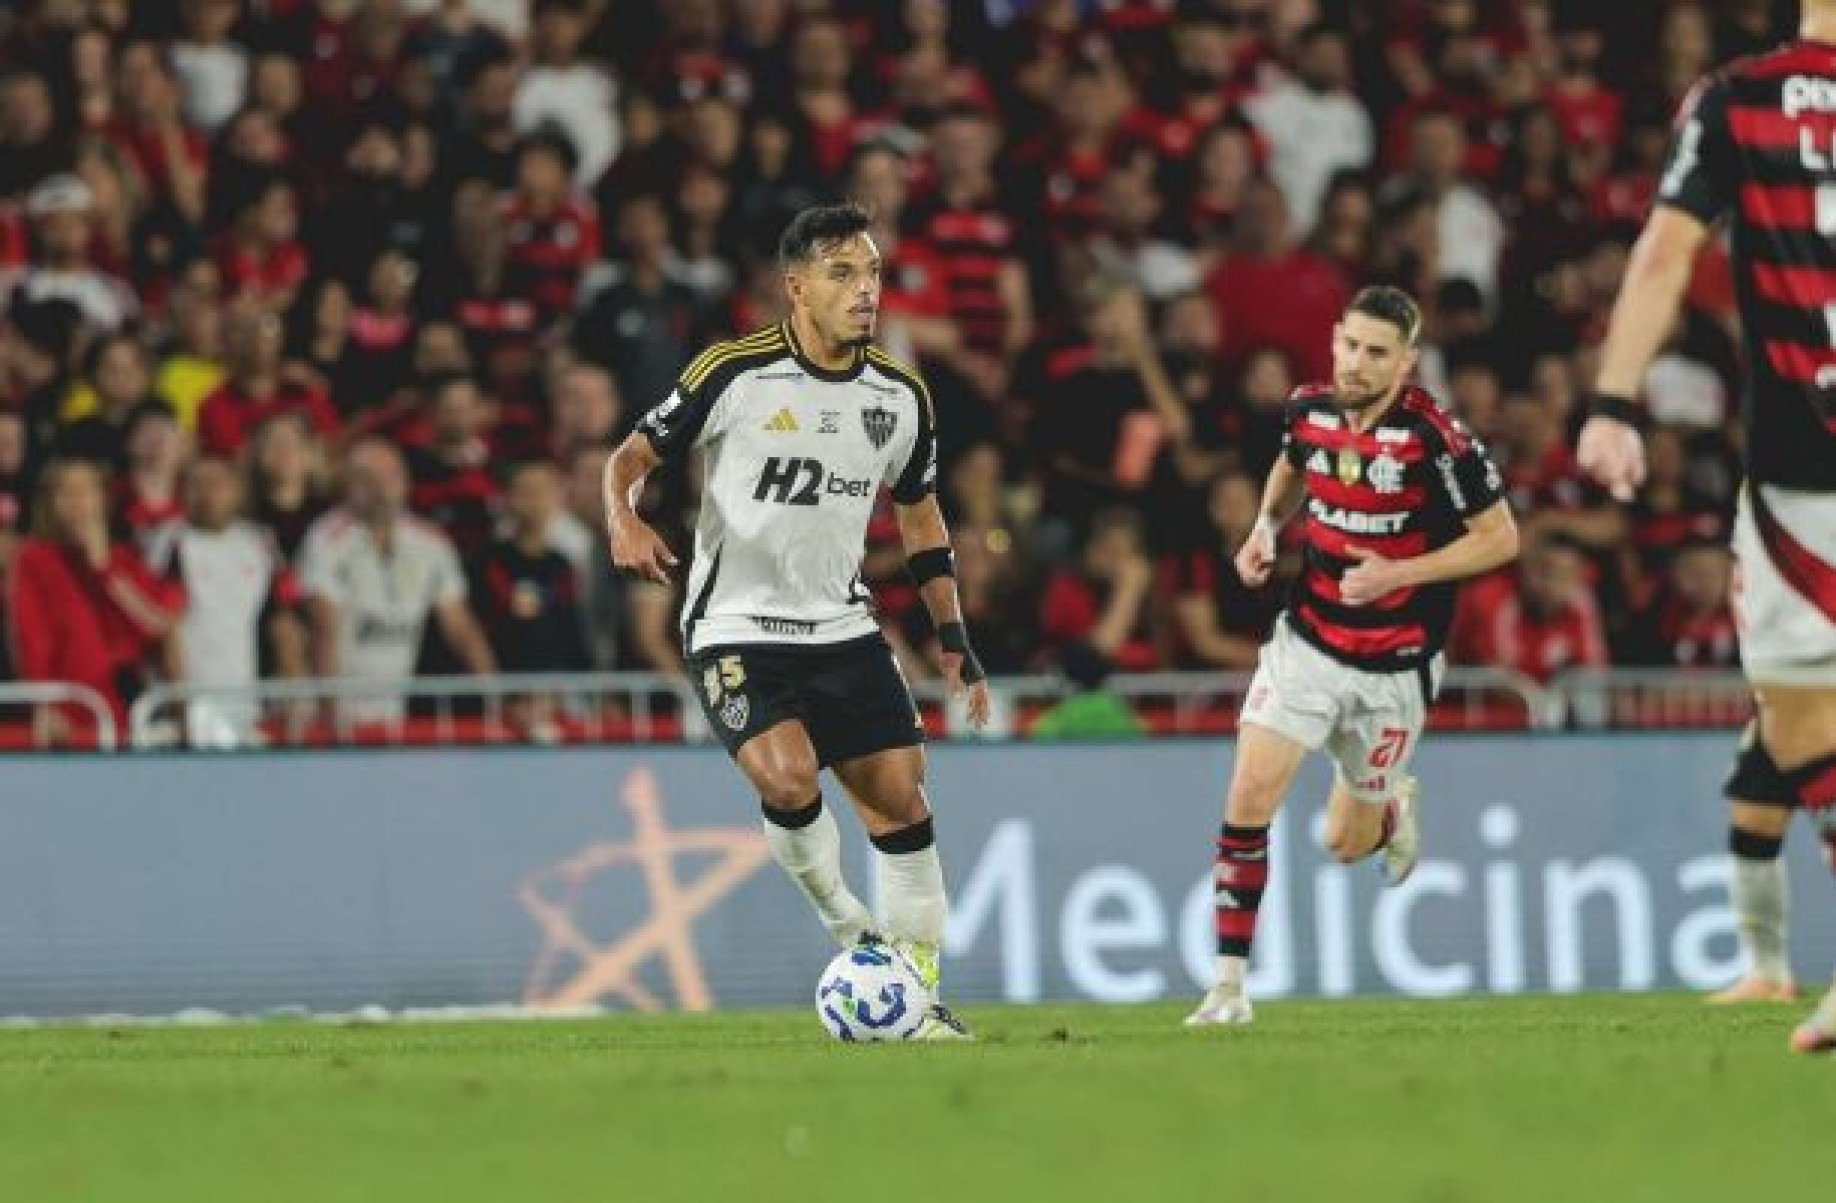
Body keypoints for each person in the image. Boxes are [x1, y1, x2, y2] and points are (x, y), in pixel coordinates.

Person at [602, 203, 987, 1040]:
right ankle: (857, 936)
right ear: (796, 288)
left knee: (903, 803)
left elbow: (920, 519)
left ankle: (916, 995)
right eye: (844, 273)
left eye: (874, 272)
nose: (866, 290)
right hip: (736, 624)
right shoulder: (733, 373)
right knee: (787, 777)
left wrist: (953, 635)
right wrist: (621, 517)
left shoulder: (900, 395)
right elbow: (630, 456)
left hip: (843, 628)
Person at [1576, 0, 1836, 1053]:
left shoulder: (1740, 98)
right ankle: (1773, 968)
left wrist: (1613, 400)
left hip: (1805, 479)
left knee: (1803, 724)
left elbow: (1663, 255)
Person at [1186, 286, 1519, 1027]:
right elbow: (1292, 463)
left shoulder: (1438, 435)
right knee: (1246, 801)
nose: (1358, 364)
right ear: (1334, 340)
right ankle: (1228, 987)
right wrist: (1266, 526)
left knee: (1344, 842)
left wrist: (1399, 573)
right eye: (1350, 346)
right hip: (1306, 643)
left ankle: (1393, 806)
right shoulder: (1307, 408)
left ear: (1407, 361)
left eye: (1377, 353)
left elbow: (1502, 538)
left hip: (1395, 665)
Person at [298, 438, 496, 725]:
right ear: (348, 484)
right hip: (330, 711)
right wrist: (330, 711)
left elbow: (461, 629)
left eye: (390, 476)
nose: (381, 489)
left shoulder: (431, 543)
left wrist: (496, 694)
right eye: (368, 479)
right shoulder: (325, 540)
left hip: (392, 710)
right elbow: (322, 628)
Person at [7, 459, 185, 740]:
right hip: (68, 713)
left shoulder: (125, 560)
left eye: (85, 491)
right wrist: (44, 703)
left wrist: (104, 568)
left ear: (102, 500)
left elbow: (158, 626)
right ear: (51, 503)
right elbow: (30, 637)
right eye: (66, 492)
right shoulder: (35, 559)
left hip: (126, 713)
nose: (77, 502)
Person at [155, 455, 306, 747]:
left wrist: (295, 699)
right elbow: (167, 629)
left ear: (237, 490)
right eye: (198, 484)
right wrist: (182, 708)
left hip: (249, 701)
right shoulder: (173, 543)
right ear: (183, 493)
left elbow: (284, 625)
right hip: (194, 701)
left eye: (219, 484)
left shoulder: (261, 542)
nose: (209, 493)